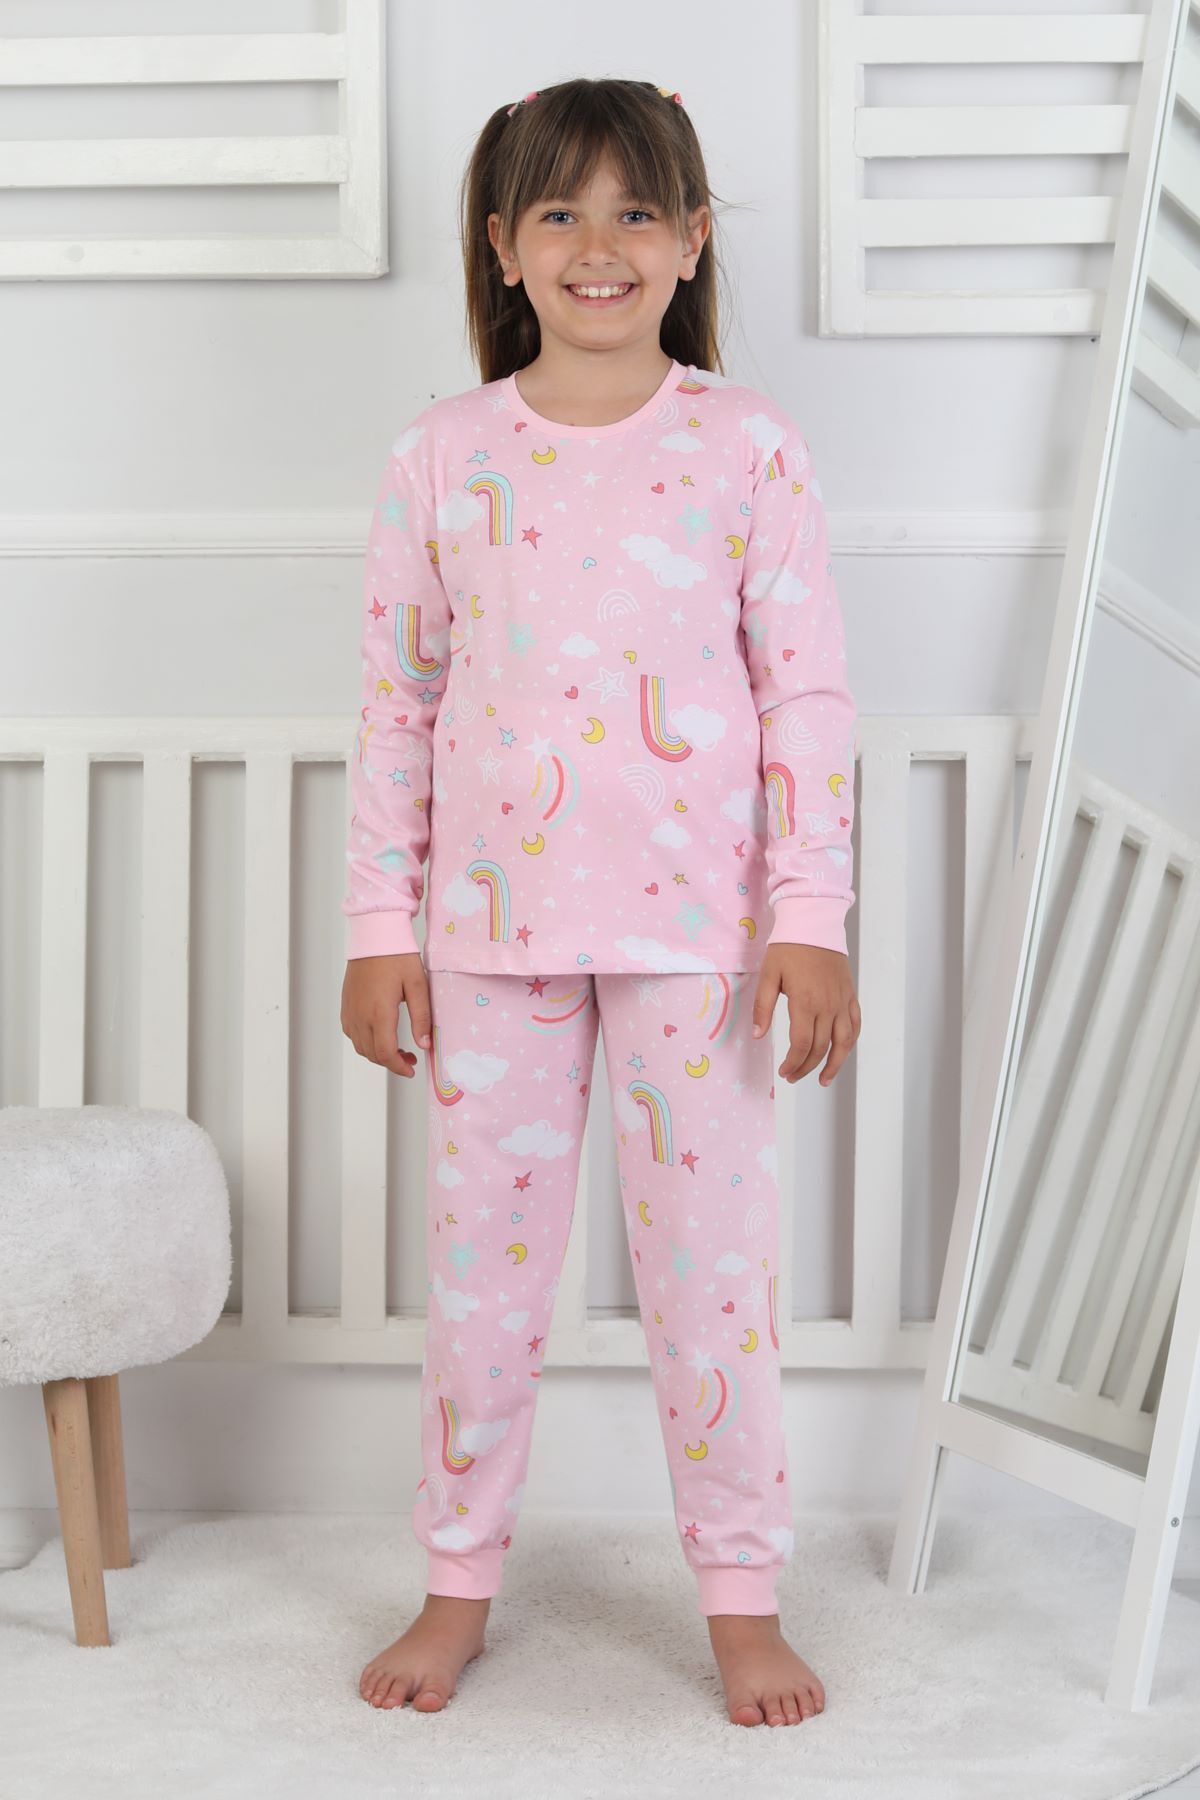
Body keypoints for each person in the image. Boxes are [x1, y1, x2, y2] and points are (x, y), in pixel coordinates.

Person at [341, 76, 861, 1729]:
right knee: (482, 1288)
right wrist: (377, 928)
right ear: (503, 246)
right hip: (489, 942)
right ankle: (456, 1581)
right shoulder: (442, 457)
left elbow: (806, 698)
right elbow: (398, 707)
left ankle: (742, 1596)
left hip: (699, 942)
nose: (599, 244)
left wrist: (812, 915)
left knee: (715, 1282)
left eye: (638, 210)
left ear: (693, 238)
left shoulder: (747, 448)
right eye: (559, 211)